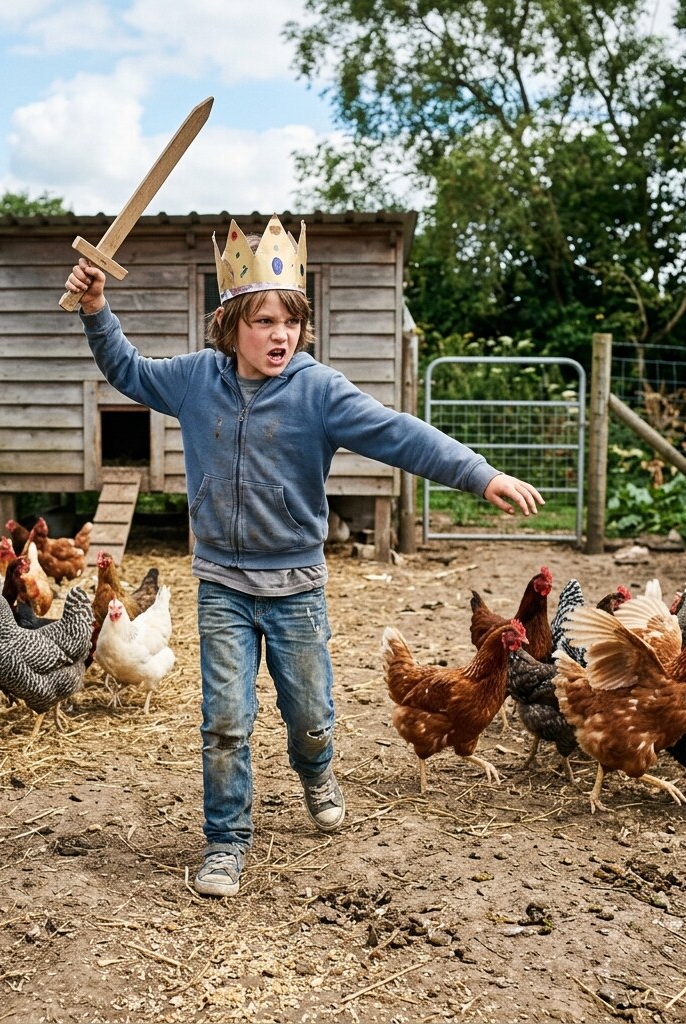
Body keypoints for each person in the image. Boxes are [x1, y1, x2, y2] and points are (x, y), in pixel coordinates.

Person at [64, 214, 543, 898]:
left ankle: (317, 770)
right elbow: (128, 371)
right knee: (226, 720)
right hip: (223, 583)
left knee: (309, 716)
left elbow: (399, 434)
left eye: (290, 321)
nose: (280, 335)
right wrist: (95, 311)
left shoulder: (319, 390)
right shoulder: (197, 380)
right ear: (231, 323)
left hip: (295, 587)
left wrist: (479, 473)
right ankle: (226, 841)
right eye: (263, 321)